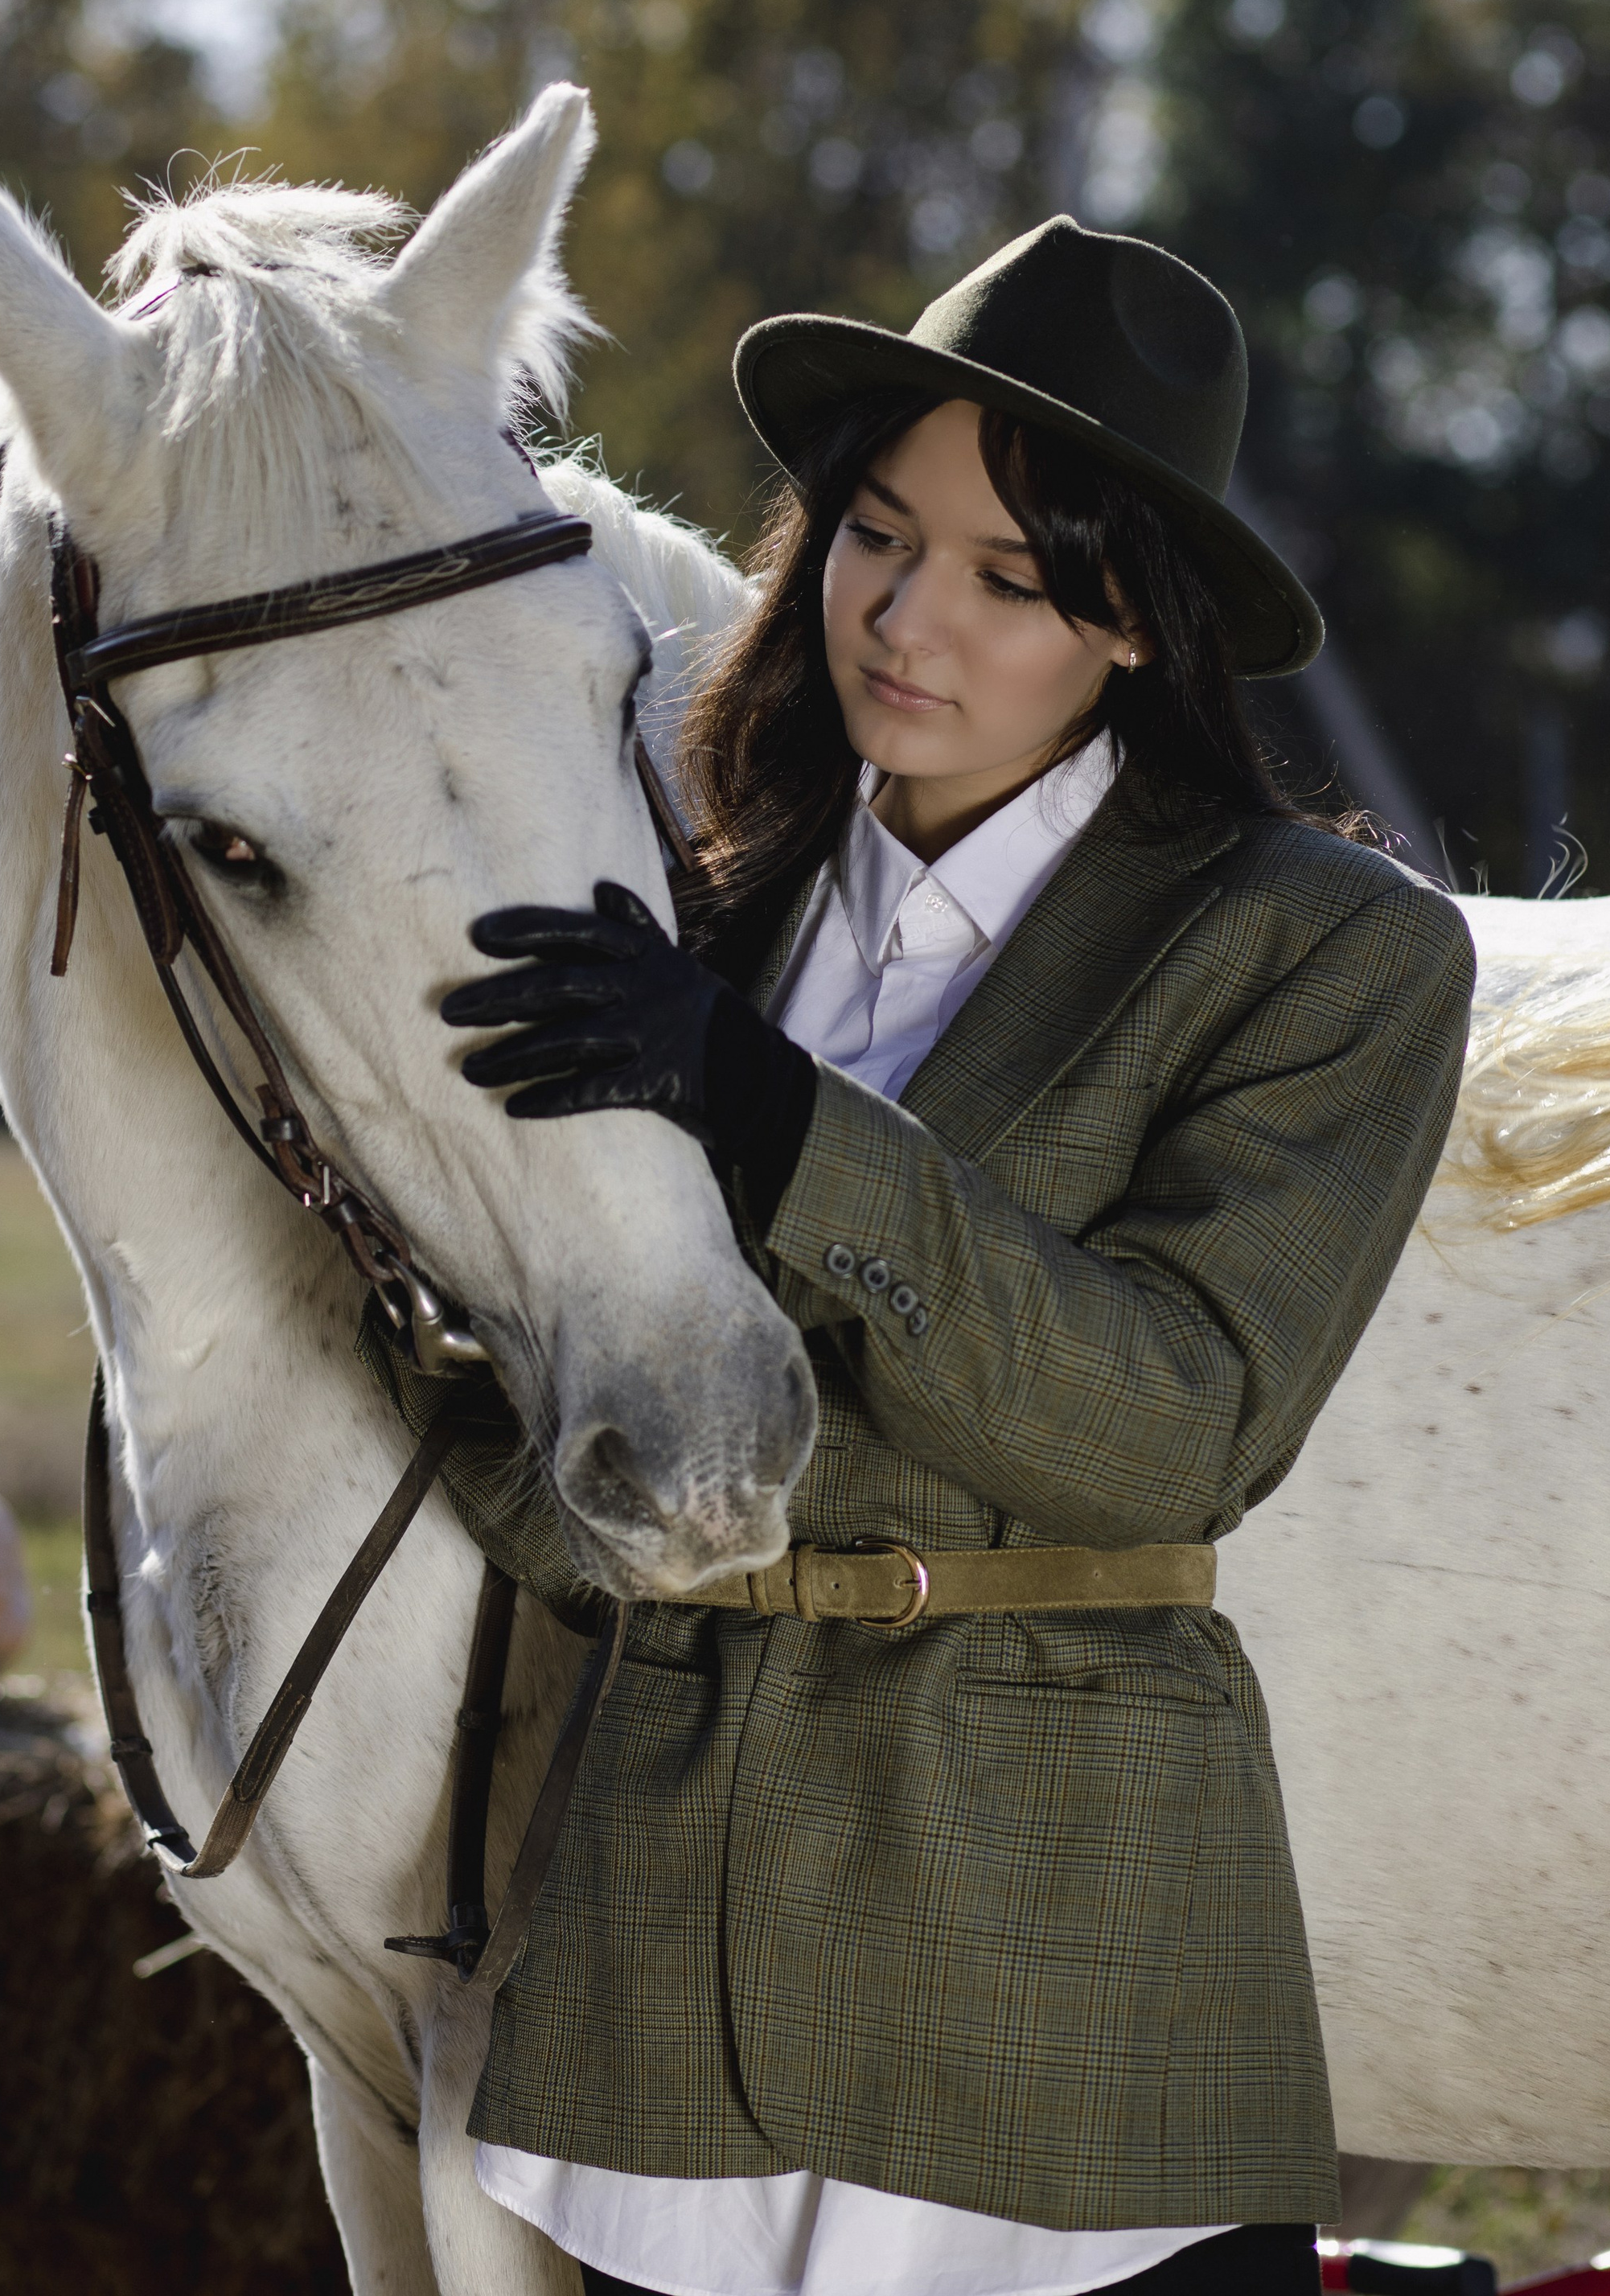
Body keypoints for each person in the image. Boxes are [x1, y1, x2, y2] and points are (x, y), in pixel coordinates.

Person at [431, 216, 1476, 2296]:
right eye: (877, 536)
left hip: (1069, 1967)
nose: (906, 620)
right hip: (676, 1968)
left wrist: (776, 1116)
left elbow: (1173, 1430)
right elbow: (549, 1477)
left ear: (1137, 625)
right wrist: (430, 1278)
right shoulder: (692, 918)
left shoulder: (1326, 951)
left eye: (1010, 581)